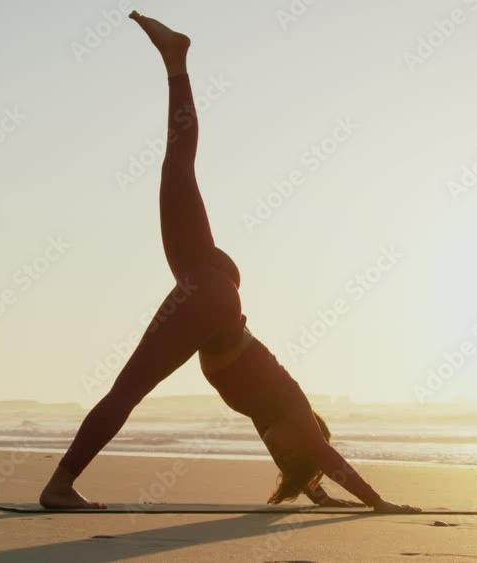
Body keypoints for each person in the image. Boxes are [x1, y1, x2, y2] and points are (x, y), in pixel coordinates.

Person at [39, 11, 421, 514]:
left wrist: (314, 492)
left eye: (285, 456)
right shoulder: (294, 413)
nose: (281, 448)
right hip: (210, 301)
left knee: (177, 167)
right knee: (127, 391)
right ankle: (60, 485)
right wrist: (378, 503)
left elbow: (306, 463)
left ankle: (176, 63)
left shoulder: (271, 419)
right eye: (291, 450)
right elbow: (323, 454)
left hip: (208, 288)